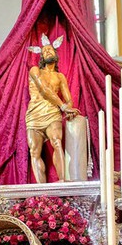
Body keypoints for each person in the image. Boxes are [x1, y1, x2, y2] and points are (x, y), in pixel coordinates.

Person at [26, 34, 80, 183]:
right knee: (34, 151)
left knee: (56, 141)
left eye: (50, 50)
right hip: (34, 114)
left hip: (52, 112)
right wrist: (63, 106)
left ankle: (62, 182)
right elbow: (44, 90)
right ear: (41, 57)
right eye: (45, 51)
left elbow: (69, 99)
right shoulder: (35, 70)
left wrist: (69, 108)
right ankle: (41, 189)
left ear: (56, 54)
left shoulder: (60, 76)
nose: (48, 51)